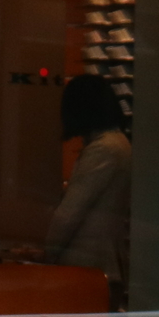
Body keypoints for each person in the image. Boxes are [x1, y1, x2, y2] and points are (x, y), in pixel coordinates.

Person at [46, 74, 132, 290]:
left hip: (87, 265)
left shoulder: (103, 149)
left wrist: (48, 253)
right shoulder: (118, 143)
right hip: (102, 263)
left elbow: (70, 213)